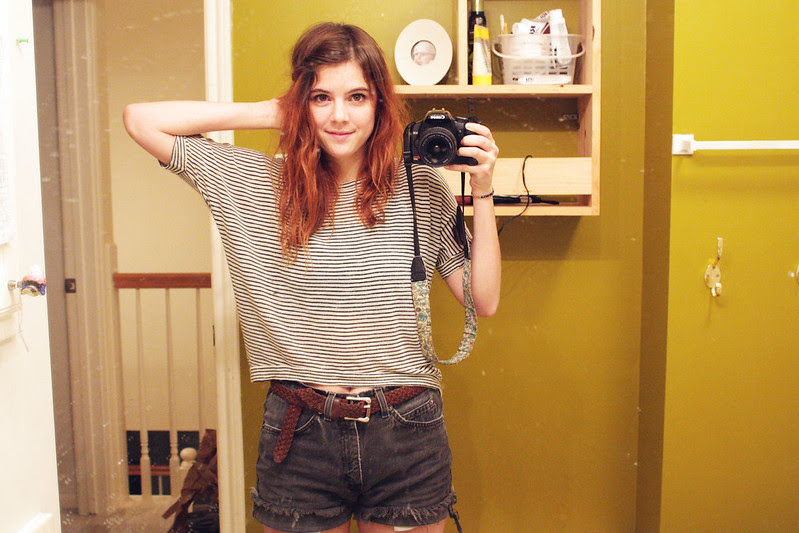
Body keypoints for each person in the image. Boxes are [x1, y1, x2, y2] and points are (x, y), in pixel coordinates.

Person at [123, 21, 500, 533]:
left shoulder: (420, 187)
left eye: (357, 97)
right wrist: (271, 111)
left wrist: (483, 190)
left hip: (406, 427)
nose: (339, 115)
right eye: (321, 97)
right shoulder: (254, 182)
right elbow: (140, 120)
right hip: (299, 431)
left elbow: (484, 299)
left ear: (380, 105)